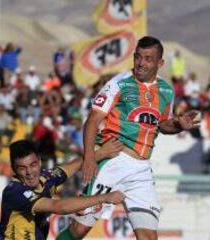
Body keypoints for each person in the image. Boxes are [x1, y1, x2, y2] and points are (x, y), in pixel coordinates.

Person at [56, 36, 201, 240]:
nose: (141, 63)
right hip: (113, 162)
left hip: (141, 169)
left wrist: (178, 125)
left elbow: (162, 125)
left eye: (148, 59)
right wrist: (89, 157)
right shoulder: (119, 83)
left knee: (148, 237)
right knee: (79, 230)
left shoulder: (167, 91)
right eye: (138, 57)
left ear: (160, 63)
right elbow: (92, 120)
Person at [0, 139, 125, 240]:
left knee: (77, 231)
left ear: (40, 162)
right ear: (14, 170)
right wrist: (104, 197)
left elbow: (75, 164)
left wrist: (102, 153)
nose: (29, 172)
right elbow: (57, 206)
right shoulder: (14, 191)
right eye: (22, 168)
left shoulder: (47, 178)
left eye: (33, 165)